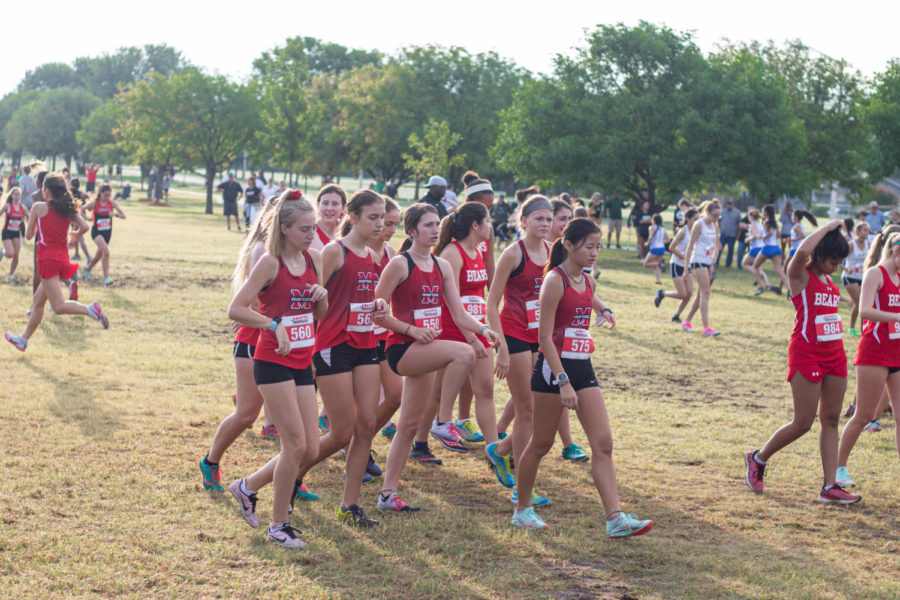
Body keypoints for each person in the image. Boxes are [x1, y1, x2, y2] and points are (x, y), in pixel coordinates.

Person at [511, 217, 653, 537]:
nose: (594, 253)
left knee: (603, 443)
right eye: (589, 247)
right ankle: (522, 509)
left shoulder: (588, 282)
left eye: (598, 247)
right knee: (541, 443)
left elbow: (586, 303)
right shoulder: (554, 281)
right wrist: (562, 382)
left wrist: (604, 310)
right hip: (552, 371)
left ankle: (615, 519)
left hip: (582, 367)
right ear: (569, 245)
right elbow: (544, 339)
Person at [373, 203, 500, 512]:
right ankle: (443, 421)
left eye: (435, 224)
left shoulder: (441, 266)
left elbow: (458, 313)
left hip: (426, 349)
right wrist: (411, 330)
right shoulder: (400, 265)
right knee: (463, 352)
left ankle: (388, 494)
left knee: (407, 424)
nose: (433, 230)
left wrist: (483, 328)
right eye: (426, 225)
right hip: (401, 349)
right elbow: (377, 313)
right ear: (412, 231)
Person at [226, 191, 328, 549]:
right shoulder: (270, 262)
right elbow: (236, 308)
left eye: (313, 228)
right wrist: (272, 325)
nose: (311, 235)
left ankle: (247, 486)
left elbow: (319, 314)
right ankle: (278, 526)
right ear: (284, 229)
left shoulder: (314, 259)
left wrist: (322, 296)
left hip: (303, 361)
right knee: (295, 444)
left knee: (310, 449)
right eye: (304, 229)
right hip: (272, 362)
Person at [744, 219, 860, 504]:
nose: (837, 267)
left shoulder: (829, 280)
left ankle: (830, 487)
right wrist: (830, 226)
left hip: (835, 355)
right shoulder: (799, 275)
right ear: (819, 255)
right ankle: (758, 459)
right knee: (802, 423)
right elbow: (800, 252)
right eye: (833, 261)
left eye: (840, 262)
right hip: (806, 354)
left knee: (831, 420)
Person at [293, 190, 387, 528]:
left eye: (383, 218)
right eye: (373, 217)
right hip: (333, 345)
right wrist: (307, 349)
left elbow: (363, 298)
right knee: (341, 432)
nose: (379, 224)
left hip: (365, 346)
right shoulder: (334, 252)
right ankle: (293, 474)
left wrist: (379, 306)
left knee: (366, 426)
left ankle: (349, 505)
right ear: (354, 215)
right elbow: (311, 299)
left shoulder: (372, 255)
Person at [200, 198, 282, 494]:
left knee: (292, 418)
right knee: (247, 414)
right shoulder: (263, 252)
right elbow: (255, 301)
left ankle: (293, 479)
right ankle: (211, 461)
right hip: (255, 338)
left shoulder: (297, 255)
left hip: (285, 342)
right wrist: (272, 321)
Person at [485, 196, 554, 502]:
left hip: (539, 336)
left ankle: (500, 450)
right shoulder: (513, 253)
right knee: (527, 409)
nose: (545, 224)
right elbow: (491, 303)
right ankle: (521, 489)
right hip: (512, 334)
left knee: (537, 407)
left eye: (549, 219)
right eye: (539, 218)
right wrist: (499, 346)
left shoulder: (553, 252)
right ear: (523, 221)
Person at [5, 173, 109, 352]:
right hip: (61, 259)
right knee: (38, 302)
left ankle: (90, 309)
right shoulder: (66, 209)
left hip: (47, 260)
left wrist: (38, 223)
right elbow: (84, 226)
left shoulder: (38, 207)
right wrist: (75, 235)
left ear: (46, 191)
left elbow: (29, 235)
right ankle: (23, 340)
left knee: (58, 306)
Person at [836, 228, 900, 488]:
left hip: (897, 349)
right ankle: (838, 468)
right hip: (874, 350)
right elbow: (864, 311)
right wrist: (896, 317)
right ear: (897, 252)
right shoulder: (876, 274)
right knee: (864, 415)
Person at [370, 198, 404, 443]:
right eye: (387, 223)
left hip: (383, 334)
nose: (391, 229)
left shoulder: (392, 254)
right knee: (365, 399)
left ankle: (360, 440)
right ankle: (356, 447)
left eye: (395, 224)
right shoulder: (348, 250)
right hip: (356, 336)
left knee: (394, 396)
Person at [681, 200, 722, 336]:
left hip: (707, 261)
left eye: (718, 216)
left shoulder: (715, 225)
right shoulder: (699, 225)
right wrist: (686, 269)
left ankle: (686, 321)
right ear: (708, 212)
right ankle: (706, 328)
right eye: (714, 215)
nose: (716, 218)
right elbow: (690, 246)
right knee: (706, 292)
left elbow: (717, 246)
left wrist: (712, 263)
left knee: (700, 294)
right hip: (697, 260)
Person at [655, 208, 698, 323]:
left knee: (689, 293)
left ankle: (676, 316)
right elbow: (671, 247)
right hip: (676, 264)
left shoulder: (695, 231)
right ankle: (662, 293)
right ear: (688, 219)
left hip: (686, 265)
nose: (697, 221)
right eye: (695, 219)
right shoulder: (683, 231)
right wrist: (683, 256)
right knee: (682, 293)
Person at [81, 184, 126, 286]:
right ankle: (106, 279)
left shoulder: (112, 203)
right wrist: (86, 218)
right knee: (106, 251)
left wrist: (115, 215)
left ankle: (87, 268)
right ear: (100, 193)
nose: (107, 198)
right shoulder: (94, 204)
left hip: (107, 233)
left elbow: (124, 216)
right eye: (105, 195)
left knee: (99, 256)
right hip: (96, 232)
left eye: (109, 195)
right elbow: (80, 209)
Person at [753, 204, 789, 295]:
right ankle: (790, 291)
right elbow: (778, 235)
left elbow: (770, 233)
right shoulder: (774, 223)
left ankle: (760, 287)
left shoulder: (766, 222)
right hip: (776, 247)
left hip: (768, 247)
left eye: (763, 211)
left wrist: (762, 237)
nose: (762, 213)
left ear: (766, 212)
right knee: (779, 271)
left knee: (755, 266)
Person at [843, 222, 870, 336]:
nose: (867, 233)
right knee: (859, 301)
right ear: (857, 231)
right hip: (849, 277)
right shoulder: (851, 245)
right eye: (865, 230)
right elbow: (839, 259)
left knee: (860, 303)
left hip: (862, 277)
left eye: (868, 230)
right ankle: (852, 328)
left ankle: (859, 328)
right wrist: (845, 269)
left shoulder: (869, 243)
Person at [1, 187, 30, 281]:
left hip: (16, 233)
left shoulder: (23, 207)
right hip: (7, 232)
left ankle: (10, 274)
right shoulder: (7, 206)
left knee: (16, 255)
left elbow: (29, 218)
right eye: (15, 194)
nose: (17, 196)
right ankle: (2, 251)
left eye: (19, 194)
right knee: (10, 253)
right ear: (11, 195)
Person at [741, 209, 771, 295]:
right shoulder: (760, 225)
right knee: (758, 268)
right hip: (761, 247)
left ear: (751, 216)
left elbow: (755, 236)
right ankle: (767, 285)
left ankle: (760, 284)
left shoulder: (753, 224)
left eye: (748, 216)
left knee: (744, 264)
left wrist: (747, 239)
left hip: (755, 248)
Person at [310, 184, 346, 251]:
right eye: (325, 203)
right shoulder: (310, 231)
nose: (329, 208)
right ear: (318, 205)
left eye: (335, 204)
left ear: (343, 208)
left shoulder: (347, 232)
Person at [643, 214, 667, 285]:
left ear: (654, 221)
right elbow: (667, 240)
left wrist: (647, 243)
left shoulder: (652, 228)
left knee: (646, 264)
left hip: (654, 248)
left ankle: (660, 264)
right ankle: (658, 281)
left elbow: (651, 237)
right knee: (655, 266)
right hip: (662, 248)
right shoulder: (663, 229)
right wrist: (661, 242)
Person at [717, 199, 741, 268]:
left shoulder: (737, 212)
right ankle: (716, 262)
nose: (729, 205)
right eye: (728, 204)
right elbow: (718, 221)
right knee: (719, 248)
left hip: (732, 234)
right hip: (723, 234)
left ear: (733, 204)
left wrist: (738, 234)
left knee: (730, 250)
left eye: (730, 204)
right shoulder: (723, 211)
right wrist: (720, 229)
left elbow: (739, 224)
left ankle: (728, 264)